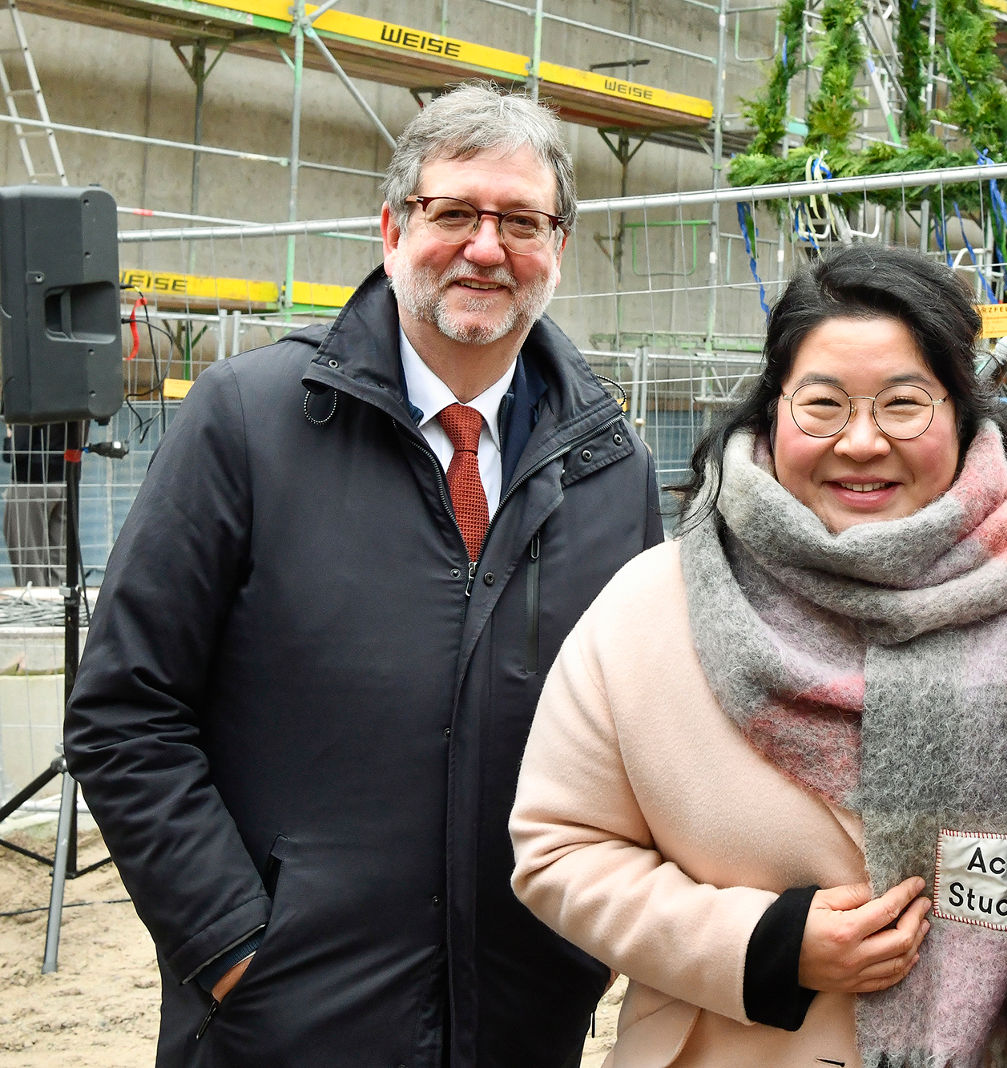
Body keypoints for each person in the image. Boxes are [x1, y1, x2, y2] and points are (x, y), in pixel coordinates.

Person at [63, 83, 662, 1067]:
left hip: (524, 1020)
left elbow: (639, 733)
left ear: (558, 247)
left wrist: (582, 952)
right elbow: (125, 712)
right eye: (453, 212)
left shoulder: (611, 469)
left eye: (521, 221)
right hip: (288, 1022)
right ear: (392, 230)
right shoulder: (247, 420)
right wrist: (233, 947)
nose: (486, 247)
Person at [509, 245, 1007, 1067]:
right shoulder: (655, 605)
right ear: (772, 412)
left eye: (904, 404)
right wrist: (763, 945)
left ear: (962, 411)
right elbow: (558, 848)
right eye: (823, 405)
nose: (862, 442)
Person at [2, 421, 67, 587]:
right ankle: (60, 602)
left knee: (29, 564)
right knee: (58, 563)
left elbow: (16, 451)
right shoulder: (74, 402)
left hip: (29, 483)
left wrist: (9, 434)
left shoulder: (24, 401)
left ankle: (34, 602)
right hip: (65, 480)